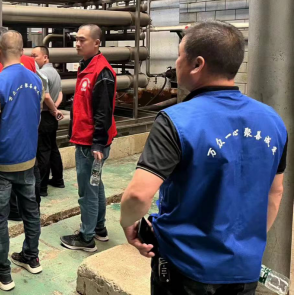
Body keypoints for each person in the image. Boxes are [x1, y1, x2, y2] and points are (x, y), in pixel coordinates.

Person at [120, 22, 287, 295]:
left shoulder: (176, 120)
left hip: (185, 268)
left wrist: (128, 223)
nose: (176, 63)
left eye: (179, 55)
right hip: (244, 270)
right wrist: (244, 246)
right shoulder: (273, 121)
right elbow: (275, 193)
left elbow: (138, 196)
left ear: (197, 64)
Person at [0, 31, 44, 292]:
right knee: (31, 211)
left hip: (2, 163)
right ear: (23, 51)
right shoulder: (36, 81)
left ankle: (2, 272)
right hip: (28, 159)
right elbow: (35, 118)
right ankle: (31, 257)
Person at [60, 24, 117, 252]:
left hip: (90, 144)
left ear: (96, 43)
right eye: (77, 39)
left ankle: (86, 238)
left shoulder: (102, 72)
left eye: (82, 40)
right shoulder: (87, 67)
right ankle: (99, 228)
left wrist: (98, 143)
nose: (77, 43)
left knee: (87, 191)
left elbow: (104, 111)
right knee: (96, 184)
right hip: (86, 140)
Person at [31, 46, 64, 198]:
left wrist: (52, 109)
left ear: (45, 57)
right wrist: (55, 109)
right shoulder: (55, 72)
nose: (33, 59)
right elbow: (61, 93)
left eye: (35, 56)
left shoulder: (41, 73)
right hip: (51, 116)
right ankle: (58, 179)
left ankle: (42, 187)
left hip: (44, 116)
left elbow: (46, 96)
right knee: (53, 149)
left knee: (43, 152)